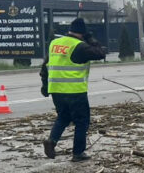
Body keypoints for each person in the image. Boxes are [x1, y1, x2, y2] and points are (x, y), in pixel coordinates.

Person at [40, 18, 106, 162]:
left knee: (63, 117)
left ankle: (52, 141)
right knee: (82, 121)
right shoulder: (79, 46)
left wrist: (45, 86)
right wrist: (91, 39)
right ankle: (78, 153)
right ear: (82, 32)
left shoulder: (54, 43)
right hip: (74, 91)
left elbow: (45, 67)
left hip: (56, 90)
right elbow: (101, 53)